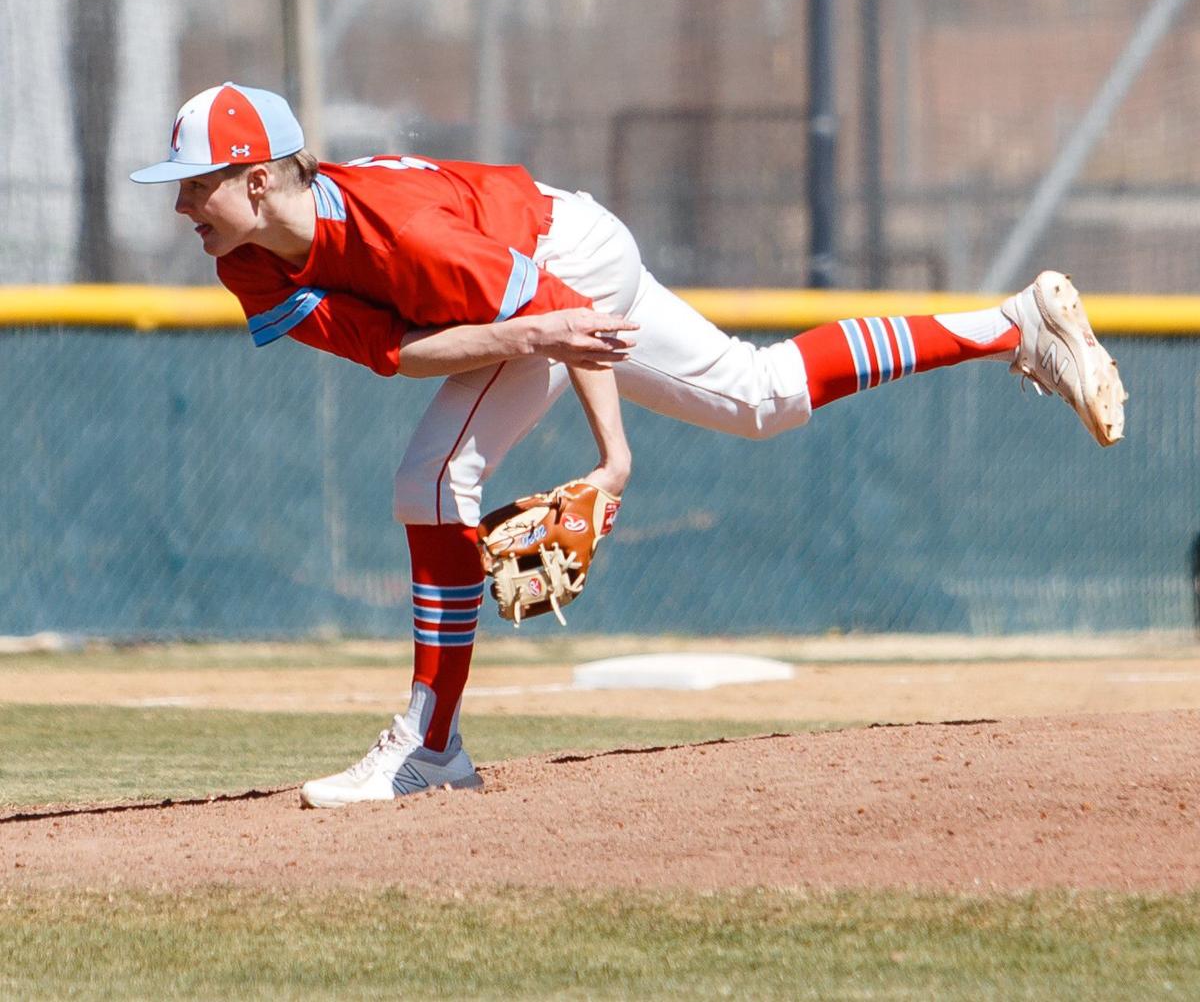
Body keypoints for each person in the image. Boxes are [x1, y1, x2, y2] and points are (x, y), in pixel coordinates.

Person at [132, 82, 1127, 808]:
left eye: (195, 185)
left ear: (257, 180)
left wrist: (612, 457)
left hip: (559, 259)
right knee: (760, 396)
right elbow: (396, 353)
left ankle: (430, 748)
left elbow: (572, 321)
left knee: (433, 476)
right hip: (542, 273)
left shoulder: (404, 234)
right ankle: (1012, 325)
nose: (181, 206)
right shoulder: (251, 259)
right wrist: (542, 353)